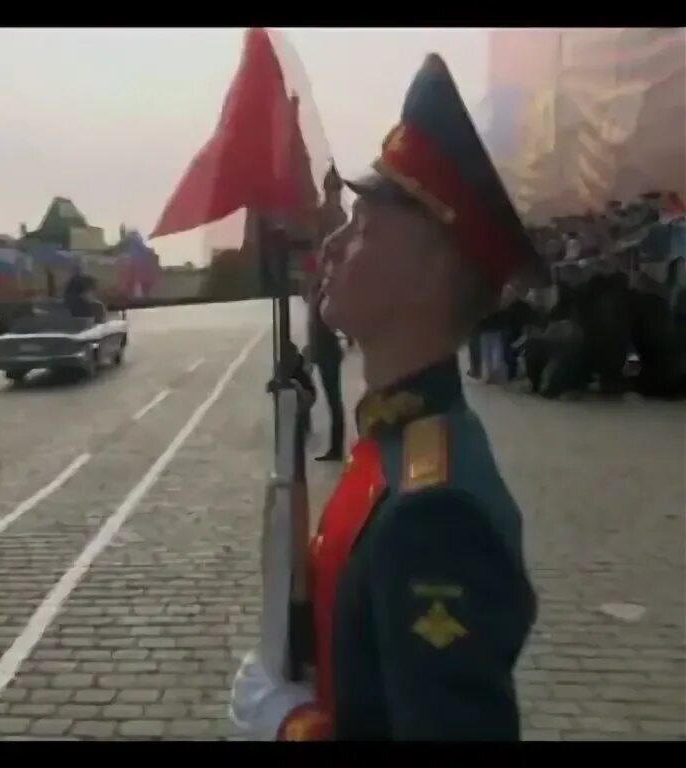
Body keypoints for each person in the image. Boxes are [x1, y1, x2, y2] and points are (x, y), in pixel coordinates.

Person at [230, 53, 538, 741]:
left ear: (433, 270)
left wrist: (295, 726)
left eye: (364, 226)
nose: (334, 244)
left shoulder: (436, 515)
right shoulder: (397, 442)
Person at [306, 165, 348, 462]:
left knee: (332, 396)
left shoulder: (331, 216)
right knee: (329, 394)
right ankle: (333, 443)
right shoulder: (339, 215)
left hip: (326, 342)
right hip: (323, 338)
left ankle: (336, 446)